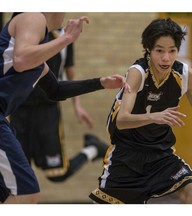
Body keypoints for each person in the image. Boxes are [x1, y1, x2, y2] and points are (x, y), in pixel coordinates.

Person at [89, 17, 192, 204]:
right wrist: (155, 116)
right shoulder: (137, 72)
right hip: (127, 156)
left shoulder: (185, 74)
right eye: (159, 51)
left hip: (160, 156)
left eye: (172, 51)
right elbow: (122, 120)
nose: (166, 58)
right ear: (149, 49)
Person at [0, 12, 129, 204]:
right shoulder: (33, 15)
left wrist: (101, 82)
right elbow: (21, 60)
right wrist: (67, 38)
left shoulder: (38, 59)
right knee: (26, 193)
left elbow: (56, 90)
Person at [9, 27, 109, 183]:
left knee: (57, 174)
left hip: (47, 111)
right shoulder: (19, 32)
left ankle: (93, 149)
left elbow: (69, 72)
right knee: (17, 175)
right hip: (18, 110)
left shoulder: (64, 36)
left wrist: (77, 104)